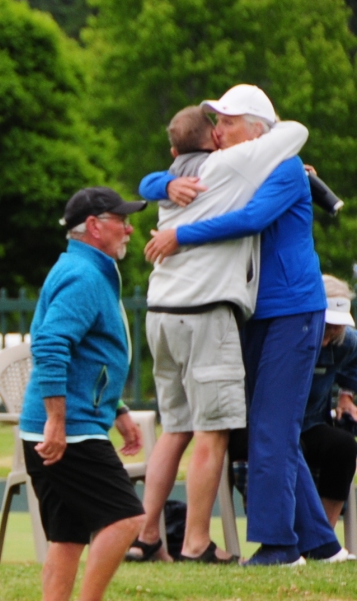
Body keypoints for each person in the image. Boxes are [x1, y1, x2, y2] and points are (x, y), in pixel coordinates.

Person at [145, 85, 344, 565]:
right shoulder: (233, 167)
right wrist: (163, 187)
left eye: (228, 122)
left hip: (291, 309)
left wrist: (179, 234)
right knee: (270, 428)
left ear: (257, 129)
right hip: (259, 312)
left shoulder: (285, 168)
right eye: (216, 121)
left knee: (271, 429)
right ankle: (321, 545)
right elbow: (155, 178)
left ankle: (280, 546)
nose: (218, 130)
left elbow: (253, 219)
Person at [20, 188, 147, 601]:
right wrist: (56, 420)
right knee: (127, 518)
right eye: (121, 220)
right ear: (95, 225)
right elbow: (51, 344)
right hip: (68, 429)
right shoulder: (84, 274)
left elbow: (89, 352)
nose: (129, 228)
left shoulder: (87, 269)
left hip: (69, 421)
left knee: (67, 535)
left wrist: (117, 409)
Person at [299, 276, 357, 532]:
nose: (329, 335)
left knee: (343, 446)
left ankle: (323, 536)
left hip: (311, 423)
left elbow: (353, 365)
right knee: (289, 452)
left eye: (336, 327)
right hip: (268, 427)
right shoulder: (284, 335)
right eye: (326, 326)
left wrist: (346, 396)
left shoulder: (347, 342)